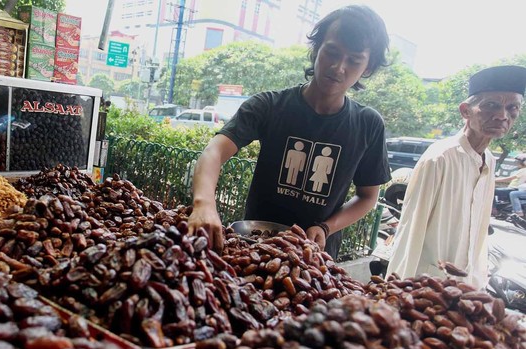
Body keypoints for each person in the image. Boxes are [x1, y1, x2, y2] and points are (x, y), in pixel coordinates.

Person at [187, 5, 392, 259]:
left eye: (354, 60)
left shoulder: (368, 125)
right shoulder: (269, 106)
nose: (339, 67)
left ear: (368, 68)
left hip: (314, 258)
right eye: (332, 52)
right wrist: (204, 203)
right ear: (316, 49)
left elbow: (367, 196)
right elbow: (215, 151)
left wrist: (326, 227)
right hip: (253, 247)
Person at [387, 65, 526, 289]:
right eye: (491, 105)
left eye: (512, 108)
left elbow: (479, 234)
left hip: (463, 288)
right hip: (425, 287)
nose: (502, 116)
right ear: (465, 111)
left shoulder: (488, 160)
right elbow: (410, 232)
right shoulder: (439, 158)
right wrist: (396, 294)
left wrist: (477, 282)